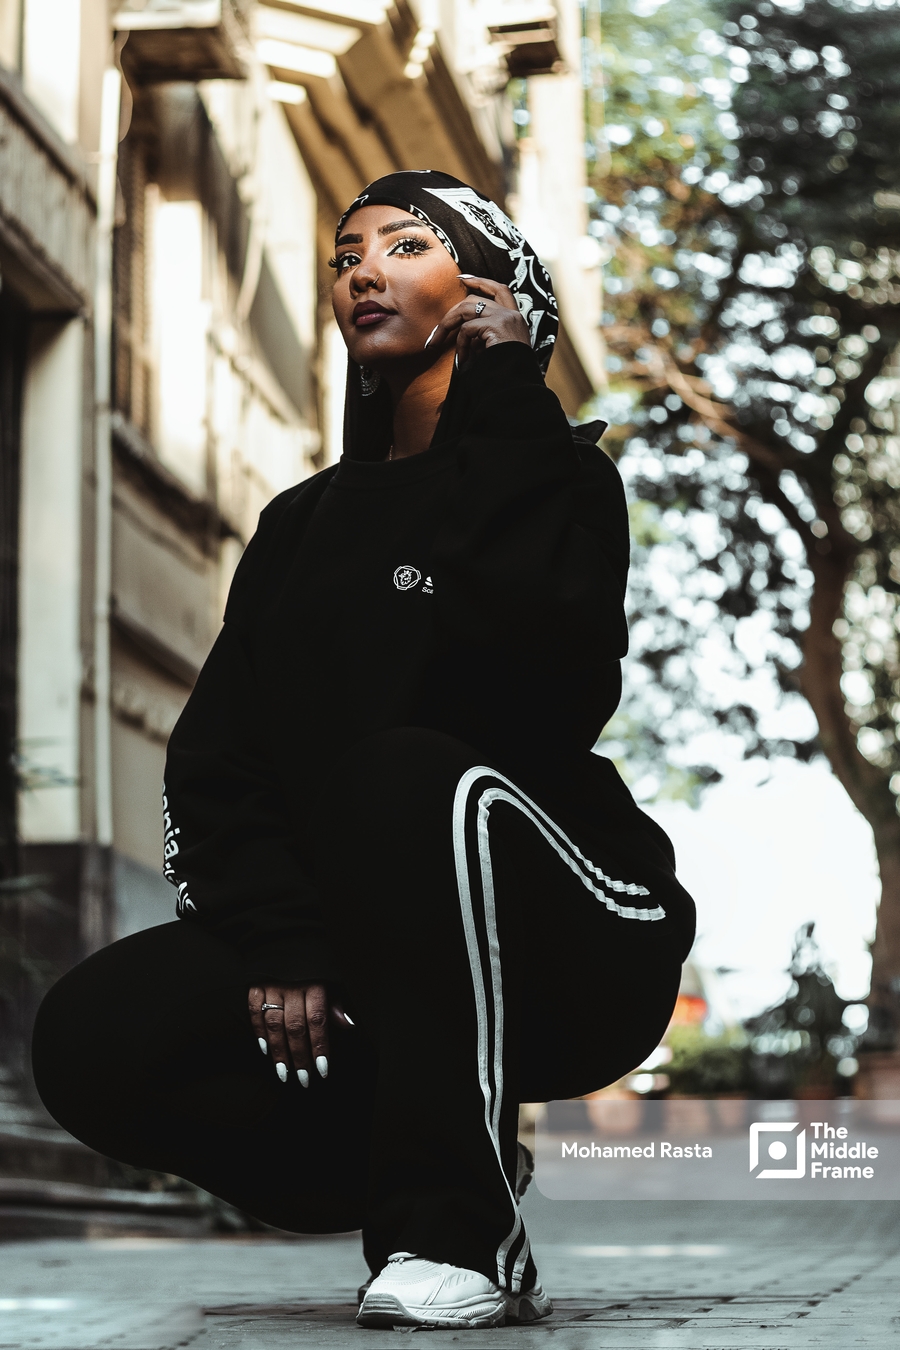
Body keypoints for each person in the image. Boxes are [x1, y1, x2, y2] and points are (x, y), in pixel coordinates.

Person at [32, 170, 695, 1331]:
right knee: (91, 1035)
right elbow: (218, 758)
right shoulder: (301, 525)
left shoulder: (560, 477)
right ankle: (414, 1149)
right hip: (368, 949)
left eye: (406, 244)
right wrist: (282, 934)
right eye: (346, 256)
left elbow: (542, 675)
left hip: (578, 926)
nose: (363, 271)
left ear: (491, 287)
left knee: (410, 771)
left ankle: (463, 1237)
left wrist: (507, 390)